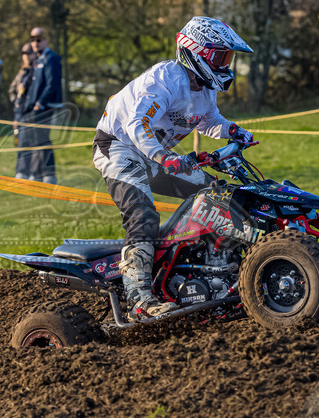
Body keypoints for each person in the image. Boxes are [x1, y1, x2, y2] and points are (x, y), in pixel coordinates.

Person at [93, 16, 254, 321]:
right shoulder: (164, 80)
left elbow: (209, 120)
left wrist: (232, 130)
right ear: (196, 52)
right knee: (143, 214)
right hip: (119, 147)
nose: (225, 64)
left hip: (157, 154)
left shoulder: (205, 88)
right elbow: (137, 123)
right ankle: (139, 300)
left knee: (215, 194)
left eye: (227, 58)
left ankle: (210, 272)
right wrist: (163, 157)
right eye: (220, 57)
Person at [24, 27, 63, 184]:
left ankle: (49, 174)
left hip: (45, 106)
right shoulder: (38, 59)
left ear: (46, 41)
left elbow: (51, 84)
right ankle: (37, 173)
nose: (35, 43)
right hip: (35, 107)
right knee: (36, 140)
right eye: (32, 40)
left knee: (43, 139)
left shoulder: (50, 58)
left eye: (38, 40)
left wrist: (40, 102)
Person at [9, 43, 38, 180]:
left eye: (29, 52)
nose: (26, 56)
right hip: (20, 113)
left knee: (32, 142)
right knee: (21, 142)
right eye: (24, 53)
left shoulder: (36, 70)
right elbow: (12, 90)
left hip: (31, 112)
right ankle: (21, 172)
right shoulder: (22, 73)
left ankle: (32, 172)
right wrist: (17, 104)